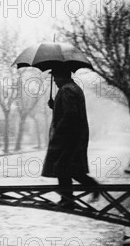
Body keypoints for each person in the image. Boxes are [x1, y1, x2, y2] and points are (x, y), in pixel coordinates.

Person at [41, 65, 100, 206]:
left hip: (69, 137)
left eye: (55, 77)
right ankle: (73, 196)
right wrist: (55, 105)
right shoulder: (72, 89)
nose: (54, 81)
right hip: (74, 135)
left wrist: (59, 132)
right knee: (70, 167)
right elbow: (69, 110)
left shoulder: (67, 90)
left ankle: (68, 198)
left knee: (62, 166)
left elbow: (70, 114)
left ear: (63, 76)